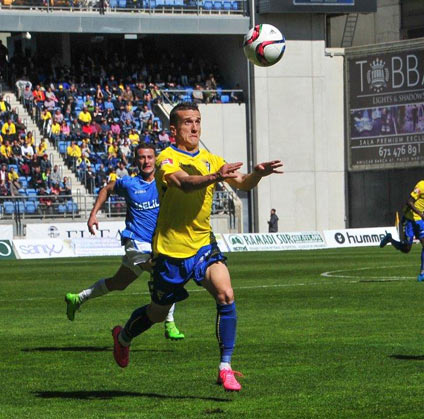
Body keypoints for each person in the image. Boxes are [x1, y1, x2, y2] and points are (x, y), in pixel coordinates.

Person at [110, 103, 283, 393]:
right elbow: (185, 183)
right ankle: (124, 337)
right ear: (174, 129)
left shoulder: (211, 158)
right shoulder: (167, 158)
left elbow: (242, 184)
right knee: (156, 313)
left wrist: (257, 174)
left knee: (226, 294)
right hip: (170, 251)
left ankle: (225, 368)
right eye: (188, 122)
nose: (194, 127)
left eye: (198, 121)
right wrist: (217, 176)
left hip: (203, 244)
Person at [64, 143, 185, 340]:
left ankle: (78, 298)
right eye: (142, 157)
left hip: (155, 243)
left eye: (149, 157)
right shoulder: (129, 184)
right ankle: (169, 323)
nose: (146, 161)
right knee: (166, 272)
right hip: (136, 241)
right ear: (136, 160)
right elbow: (106, 189)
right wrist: (93, 214)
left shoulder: (164, 182)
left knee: (118, 283)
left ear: (156, 159)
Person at [379, 168, 424, 282]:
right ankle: (390, 239)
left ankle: (423, 274)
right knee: (406, 248)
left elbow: (419, 203)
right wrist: (422, 215)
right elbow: (410, 201)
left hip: (419, 221)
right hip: (409, 219)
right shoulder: (421, 185)